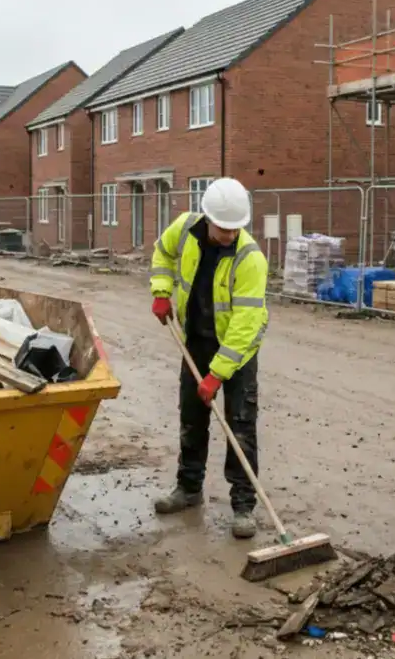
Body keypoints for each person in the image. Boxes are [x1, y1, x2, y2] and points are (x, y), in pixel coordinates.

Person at [147, 177, 269, 539]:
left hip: (236, 353)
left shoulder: (250, 258)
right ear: (207, 217)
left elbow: (246, 325)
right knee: (192, 417)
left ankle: (244, 506)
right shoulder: (184, 229)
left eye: (236, 228)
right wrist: (161, 291)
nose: (230, 235)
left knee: (239, 426)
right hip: (196, 342)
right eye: (224, 228)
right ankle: (188, 488)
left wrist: (217, 374)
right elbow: (161, 253)